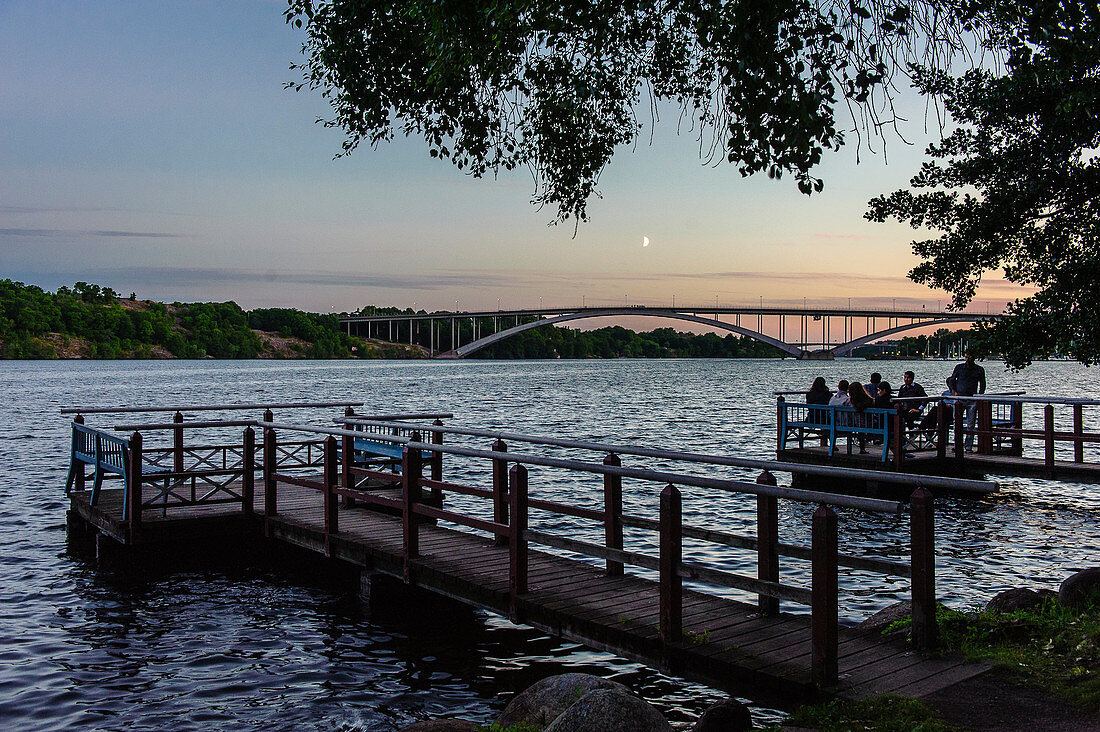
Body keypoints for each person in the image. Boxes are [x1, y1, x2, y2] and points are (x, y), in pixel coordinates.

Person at [947, 352, 987, 451]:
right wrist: (954, 391)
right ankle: (957, 445)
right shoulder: (959, 367)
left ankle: (968, 446)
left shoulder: (979, 369)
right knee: (957, 423)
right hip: (959, 399)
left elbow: (983, 384)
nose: (968, 359)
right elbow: (951, 380)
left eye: (970, 357)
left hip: (972, 399)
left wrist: (979, 397)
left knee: (971, 425)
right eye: (967, 357)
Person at [848, 381, 874, 454]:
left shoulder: (852, 402)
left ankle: (862, 448)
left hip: (854, 424)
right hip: (869, 424)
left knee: (860, 426)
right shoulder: (868, 400)